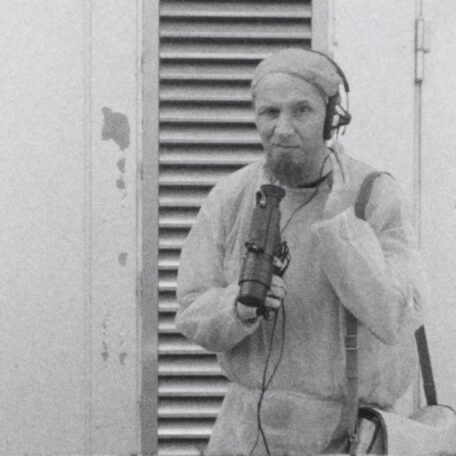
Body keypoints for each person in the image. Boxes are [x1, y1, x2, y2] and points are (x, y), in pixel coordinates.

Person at [174, 48, 426, 455]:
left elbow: (395, 316)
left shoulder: (373, 194)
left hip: (346, 434)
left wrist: (340, 226)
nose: (283, 129)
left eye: (302, 110)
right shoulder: (231, 195)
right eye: (270, 112)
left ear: (330, 118)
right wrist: (237, 308)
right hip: (245, 433)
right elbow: (190, 309)